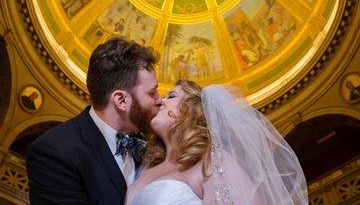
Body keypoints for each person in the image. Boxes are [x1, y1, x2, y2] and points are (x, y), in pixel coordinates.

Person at [26, 37, 162, 205]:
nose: (159, 99)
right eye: (152, 93)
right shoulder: (54, 154)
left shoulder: (143, 146)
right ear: (121, 101)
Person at [126, 80, 308, 205]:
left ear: (192, 109)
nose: (160, 102)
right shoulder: (141, 167)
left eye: (171, 96)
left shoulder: (213, 163)